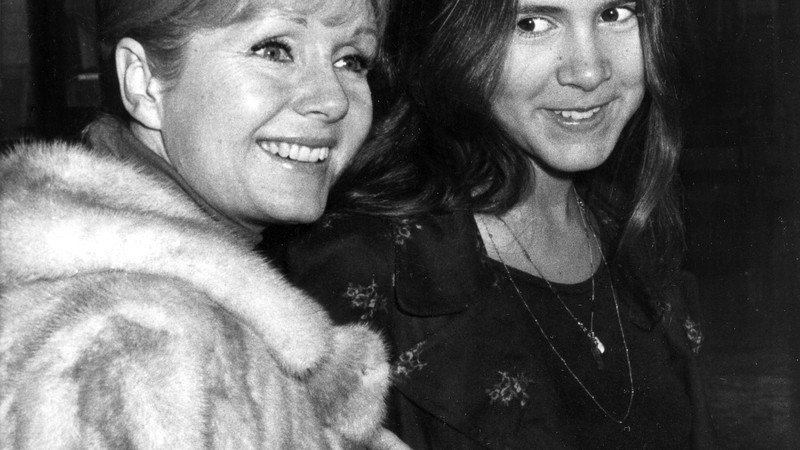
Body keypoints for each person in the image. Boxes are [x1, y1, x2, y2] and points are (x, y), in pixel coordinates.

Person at [272, 0, 718, 448]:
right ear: (454, 40)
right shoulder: (358, 265)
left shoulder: (638, 233)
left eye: (615, 14)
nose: (589, 71)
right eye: (532, 23)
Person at [0, 0, 409, 448]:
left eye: (351, 60)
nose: (332, 100)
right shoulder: (133, 343)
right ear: (142, 82)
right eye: (273, 50)